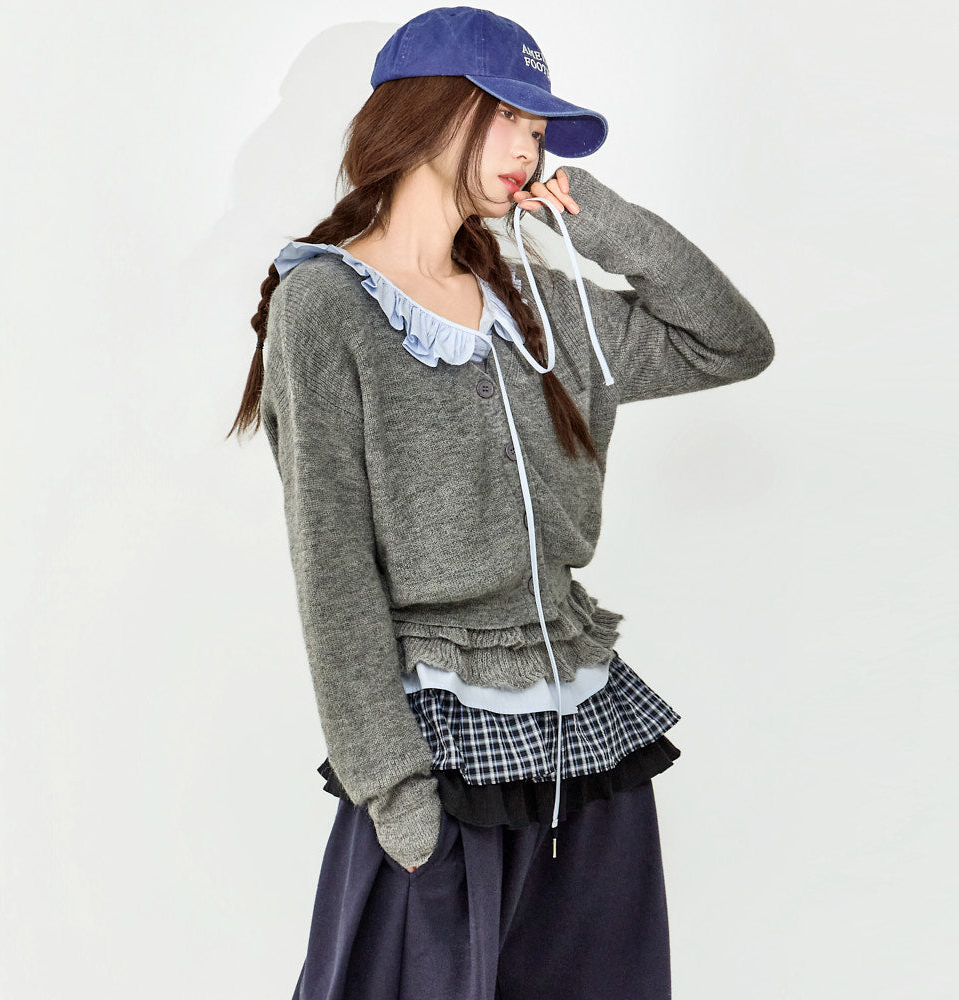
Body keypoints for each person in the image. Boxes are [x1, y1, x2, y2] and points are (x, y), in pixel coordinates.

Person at [227, 7, 774, 999]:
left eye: (539, 126)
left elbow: (731, 343)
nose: (532, 145)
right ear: (429, 113)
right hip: (438, 748)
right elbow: (331, 561)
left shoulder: (542, 304)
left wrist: (599, 221)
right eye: (509, 116)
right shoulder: (326, 306)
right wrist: (392, 789)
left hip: (587, 728)